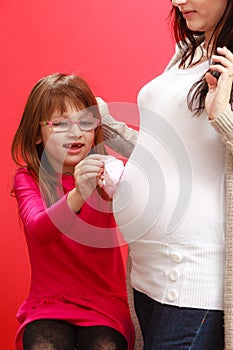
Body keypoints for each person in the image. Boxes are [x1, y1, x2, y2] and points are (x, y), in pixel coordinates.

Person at [102, 0, 233, 349]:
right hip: (148, 276)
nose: (177, 1)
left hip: (195, 282)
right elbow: (164, 152)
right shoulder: (187, 53)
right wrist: (107, 127)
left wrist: (221, 114)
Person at [11, 73, 135, 350]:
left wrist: (120, 184)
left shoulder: (107, 172)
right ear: (37, 134)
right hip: (49, 304)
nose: (76, 133)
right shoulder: (29, 178)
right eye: (60, 124)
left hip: (105, 305)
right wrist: (80, 192)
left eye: (86, 122)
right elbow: (39, 230)